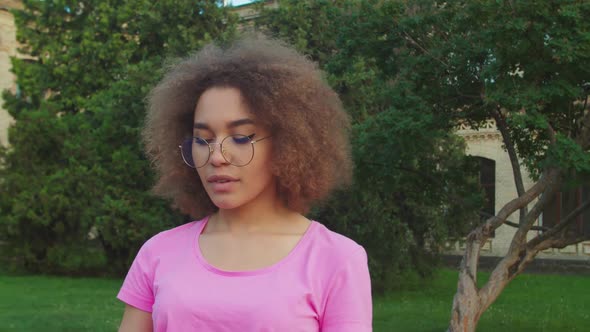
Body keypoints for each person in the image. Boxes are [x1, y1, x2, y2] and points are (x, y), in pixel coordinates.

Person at [117, 35, 372, 332]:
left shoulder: (337, 259)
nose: (217, 156)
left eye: (240, 137)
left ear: (288, 144)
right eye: (203, 139)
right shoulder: (158, 252)